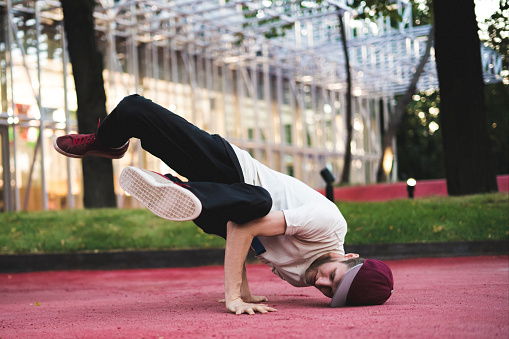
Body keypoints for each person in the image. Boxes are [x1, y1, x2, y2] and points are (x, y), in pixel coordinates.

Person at [54, 94, 394, 315]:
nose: (321, 285)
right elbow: (247, 227)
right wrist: (233, 296)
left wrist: (245, 291)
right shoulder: (329, 223)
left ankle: (187, 192)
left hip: (221, 209)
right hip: (231, 170)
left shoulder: (302, 277)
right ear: (348, 257)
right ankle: (111, 144)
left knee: (253, 211)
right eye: (333, 278)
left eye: (329, 293)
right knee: (132, 109)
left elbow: (244, 237)